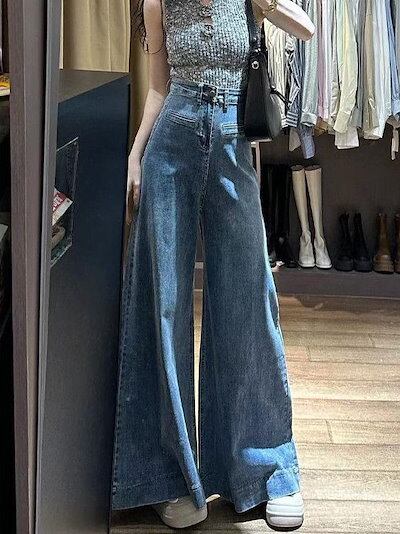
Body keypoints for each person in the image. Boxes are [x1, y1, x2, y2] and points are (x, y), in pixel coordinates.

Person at [111, 0, 313, 530]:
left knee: (249, 300)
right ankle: (167, 478)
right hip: (170, 145)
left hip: (232, 142)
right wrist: (135, 154)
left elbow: (308, 29)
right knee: (163, 304)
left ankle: (267, 471)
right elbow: (159, 88)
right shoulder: (157, 3)